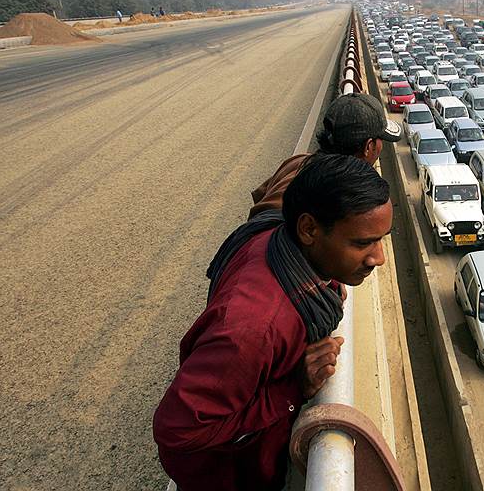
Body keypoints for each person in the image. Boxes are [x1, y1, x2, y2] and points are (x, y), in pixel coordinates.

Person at [153, 153, 393, 491]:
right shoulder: (254, 329)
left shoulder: (280, 244)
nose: (378, 258)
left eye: (381, 239)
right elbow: (177, 431)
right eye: (361, 242)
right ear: (309, 229)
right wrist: (292, 389)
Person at [247, 93, 401, 221]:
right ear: (368, 147)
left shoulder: (297, 161)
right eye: (380, 140)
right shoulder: (341, 196)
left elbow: (260, 196)